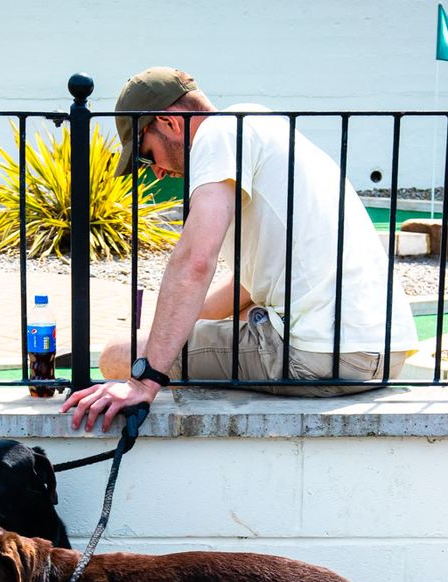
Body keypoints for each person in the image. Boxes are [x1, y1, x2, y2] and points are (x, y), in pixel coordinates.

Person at [62, 67, 417, 432]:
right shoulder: (257, 124)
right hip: (384, 351)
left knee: (119, 353)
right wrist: (166, 332)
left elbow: (195, 262)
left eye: (145, 155)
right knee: (180, 334)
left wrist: (143, 381)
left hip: (318, 356)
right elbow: (244, 288)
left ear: (169, 123)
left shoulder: (217, 136)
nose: (156, 172)